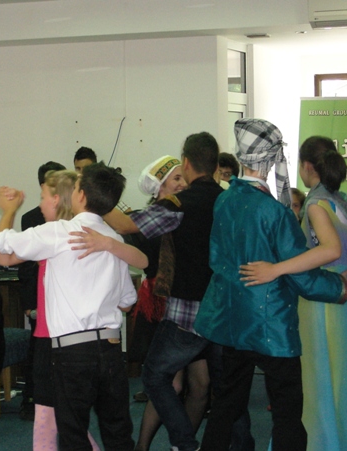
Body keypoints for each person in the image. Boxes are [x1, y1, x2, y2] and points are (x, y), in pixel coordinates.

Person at [196, 121, 347, 451]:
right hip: (272, 324)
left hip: (231, 320)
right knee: (287, 412)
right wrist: (338, 287)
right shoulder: (275, 212)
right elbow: (300, 273)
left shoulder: (224, 201)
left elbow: (218, 260)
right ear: (271, 158)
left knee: (225, 405)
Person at [0, 163, 139, 451]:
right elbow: (127, 301)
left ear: (80, 195)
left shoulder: (59, 232)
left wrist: (7, 209)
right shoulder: (113, 240)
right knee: (118, 431)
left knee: (73, 433)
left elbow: (2, 243)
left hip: (72, 351)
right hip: (110, 348)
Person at [237, 133, 347, 451]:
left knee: (317, 383)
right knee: (342, 383)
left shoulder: (317, 204)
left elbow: (330, 250)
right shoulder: (343, 202)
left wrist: (276, 269)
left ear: (307, 166)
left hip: (324, 302)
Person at [104, 132, 223, 451]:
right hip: (218, 307)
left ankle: (183, 443)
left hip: (187, 312)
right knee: (210, 385)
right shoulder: (226, 199)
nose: (179, 182)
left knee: (166, 377)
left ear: (187, 163)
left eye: (180, 175)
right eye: (172, 179)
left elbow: (125, 226)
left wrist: (92, 197)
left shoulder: (180, 205)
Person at [18, 161, 66, 420]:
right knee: (38, 351)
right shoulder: (31, 218)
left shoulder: (71, 215)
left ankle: (61, 401)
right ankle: (31, 400)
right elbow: (25, 265)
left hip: (64, 295)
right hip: (40, 295)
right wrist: (29, 303)